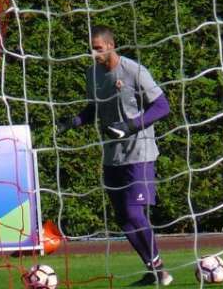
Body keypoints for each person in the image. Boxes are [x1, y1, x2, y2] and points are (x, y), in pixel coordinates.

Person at [57, 26, 173, 286]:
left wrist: (131, 126)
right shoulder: (93, 74)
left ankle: (161, 270)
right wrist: (74, 121)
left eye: (97, 48)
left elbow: (162, 106)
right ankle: (154, 270)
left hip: (139, 152)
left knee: (134, 212)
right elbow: (94, 108)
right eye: (91, 48)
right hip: (112, 156)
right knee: (123, 217)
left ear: (111, 45)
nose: (93, 53)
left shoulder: (134, 71)